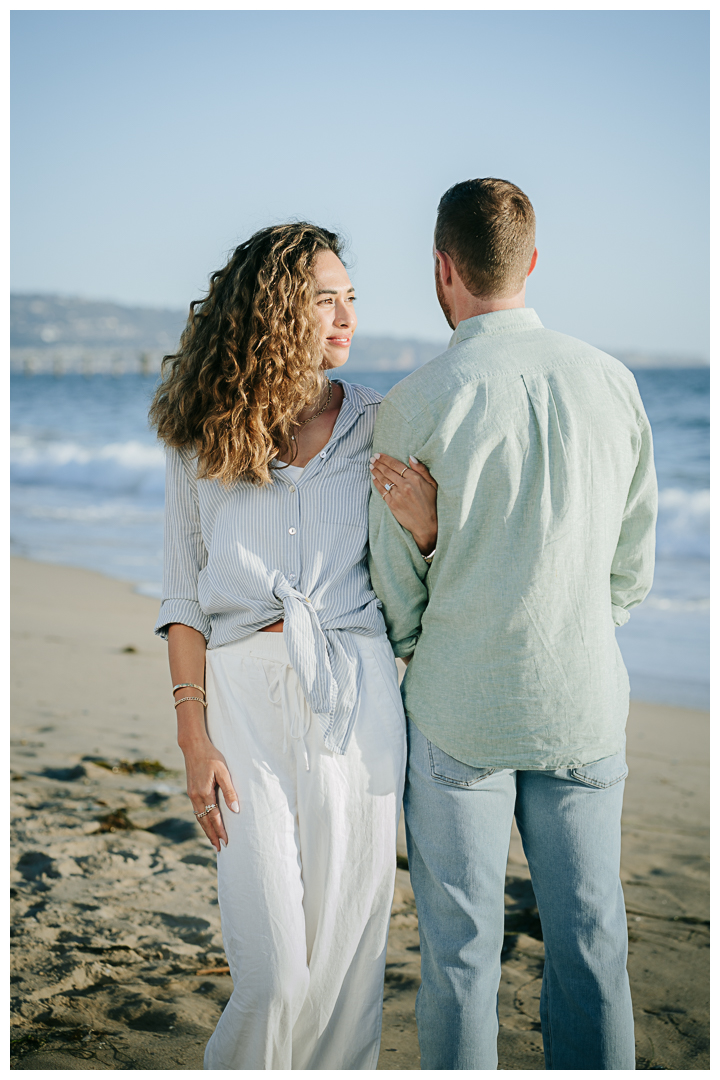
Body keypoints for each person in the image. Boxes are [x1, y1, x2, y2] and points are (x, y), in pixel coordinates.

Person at [368, 178, 657, 1070]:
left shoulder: (415, 402)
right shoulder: (614, 383)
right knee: (593, 945)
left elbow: (396, 598)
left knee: (459, 959)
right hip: (579, 699)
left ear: (442, 268)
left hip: (459, 709)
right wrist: (567, 621)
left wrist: (450, 605)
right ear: (531, 263)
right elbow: (631, 567)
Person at [148, 223, 438, 1070]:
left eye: (351, 297)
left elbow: (424, 579)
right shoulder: (199, 435)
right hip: (239, 710)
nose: (345, 315)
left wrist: (424, 534)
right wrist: (192, 737)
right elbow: (181, 598)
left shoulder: (383, 422)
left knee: (347, 973)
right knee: (274, 974)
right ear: (275, 309)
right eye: (323, 298)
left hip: (355, 698)